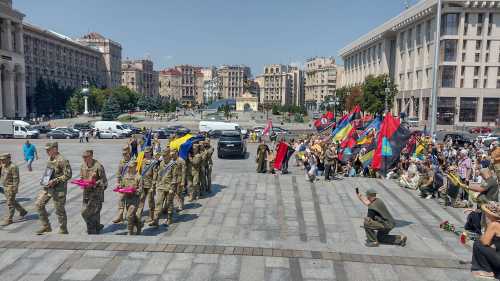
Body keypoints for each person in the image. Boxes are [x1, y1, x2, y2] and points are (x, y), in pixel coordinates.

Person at [35, 142, 72, 235]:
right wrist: (44, 180)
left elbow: (68, 175)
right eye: (46, 150)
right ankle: (46, 226)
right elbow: (49, 172)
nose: (47, 151)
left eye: (49, 150)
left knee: (59, 210)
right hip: (48, 188)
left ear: (55, 149)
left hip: (59, 190)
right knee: (39, 204)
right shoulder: (50, 159)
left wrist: (55, 180)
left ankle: (63, 230)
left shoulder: (62, 160)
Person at [79, 150, 107, 234]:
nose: (84, 159)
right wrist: (81, 182)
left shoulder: (98, 166)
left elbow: (104, 182)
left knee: (91, 213)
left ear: (91, 156)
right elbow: (82, 177)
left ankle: (92, 230)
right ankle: (97, 226)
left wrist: (94, 184)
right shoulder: (83, 166)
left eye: (86, 157)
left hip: (96, 194)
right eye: (83, 157)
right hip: (86, 193)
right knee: (86, 212)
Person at [471, 202, 500, 279]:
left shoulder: (495, 224)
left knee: (478, 243)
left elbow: (485, 242)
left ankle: (486, 271)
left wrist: (488, 224)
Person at [151, 149, 179, 227]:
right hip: (161, 186)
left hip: (169, 186)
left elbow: (174, 177)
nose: (163, 157)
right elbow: (159, 174)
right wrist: (156, 183)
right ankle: (155, 219)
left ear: (169, 155)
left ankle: (169, 218)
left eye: (165, 155)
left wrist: (172, 188)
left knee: (169, 203)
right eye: (162, 155)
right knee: (158, 202)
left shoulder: (173, 164)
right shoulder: (161, 163)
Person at [0, 153, 27, 226]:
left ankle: (9, 219)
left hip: (11, 187)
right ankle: (22, 211)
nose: (2, 161)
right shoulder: (3, 165)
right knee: (12, 201)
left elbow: (16, 179)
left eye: (3, 160)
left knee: (10, 203)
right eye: (1, 160)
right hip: (5, 187)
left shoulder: (13, 167)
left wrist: (15, 189)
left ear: (9, 159)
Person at [119, 159, 142, 235]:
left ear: (135, 167)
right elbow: (122, 186)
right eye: (128, 167)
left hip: (135, 199)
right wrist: (120, 188)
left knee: (129, 215)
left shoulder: (138, 177)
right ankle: (138, 224)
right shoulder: (125, 176)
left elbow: (140, 190)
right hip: (127, 198)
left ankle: (130, 231)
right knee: (132, 215)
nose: (129, 168)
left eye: (131, 167)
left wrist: (135, 190)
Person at [137, 147, 158, 223]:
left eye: (148, 152)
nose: (146, 154)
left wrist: (153, 186)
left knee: (150, 201)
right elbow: (139, 172)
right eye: (145, 152)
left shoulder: (154, 162)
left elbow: (155, 175)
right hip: (142, 184)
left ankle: (151, 216)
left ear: (151, 152)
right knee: (141, 200)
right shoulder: (142, 161)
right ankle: (138, 215)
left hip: (150, 185)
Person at [113, 146, 132, 224]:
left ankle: (129, 216)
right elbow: (119, 173)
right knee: (121, 200)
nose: (124, 155)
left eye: (125, 153)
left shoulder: (133, 161)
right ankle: (120, 216)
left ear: (129, 152)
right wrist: (117, 182)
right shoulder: (121, 161)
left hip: (130, 184)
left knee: (129, 201)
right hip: (122, 184)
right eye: (123, 153)